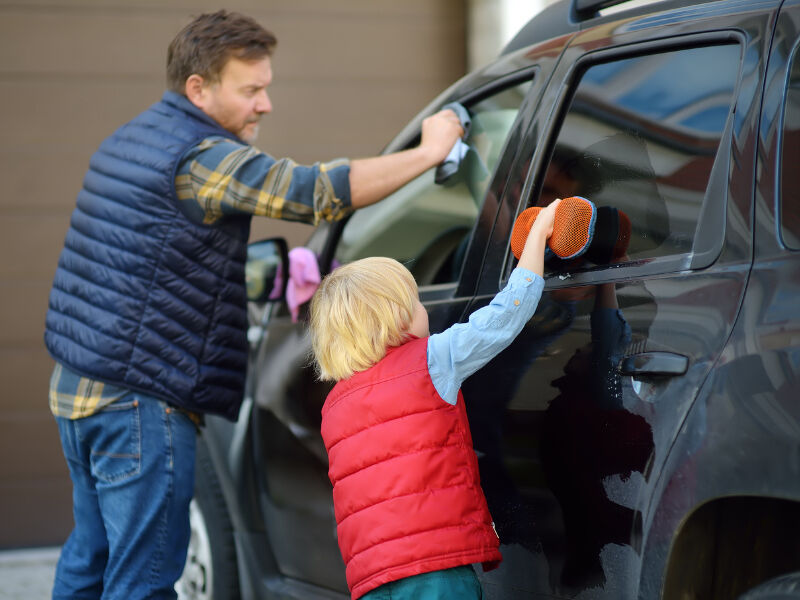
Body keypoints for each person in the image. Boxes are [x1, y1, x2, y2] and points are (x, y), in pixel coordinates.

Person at [44, 9, 463, 599]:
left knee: (90, 560)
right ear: (199, 88)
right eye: (251, 90)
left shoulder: (135, 136)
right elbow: (313, 193)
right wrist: (428, 153)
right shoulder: (202, 159)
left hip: (80, 389)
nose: (264, 104)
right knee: (141, 582)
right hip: (138, 403)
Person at [309, 199, 561, 600]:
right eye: (417, 302)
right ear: (398, 316)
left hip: (373, 578)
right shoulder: (430, 361)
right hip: (435, 570)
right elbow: (503, 318)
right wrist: (537, 236)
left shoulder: (334, 406)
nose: (424, 310)